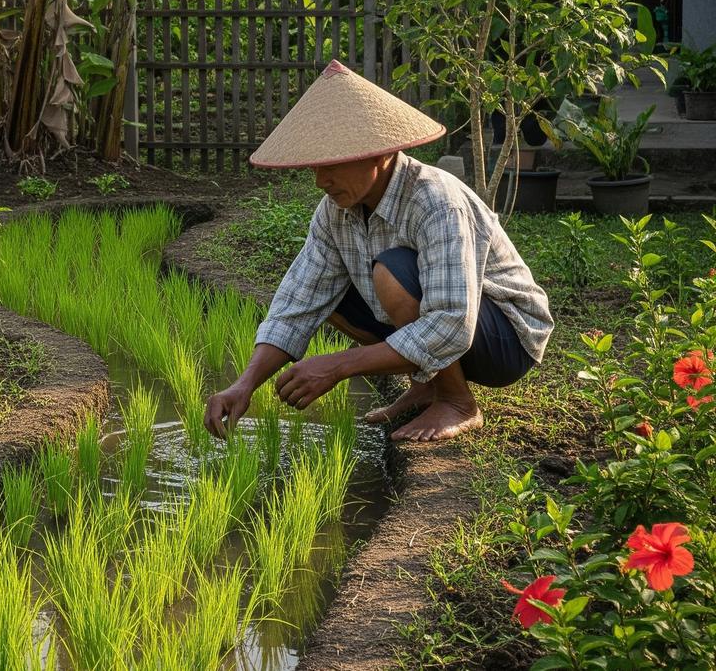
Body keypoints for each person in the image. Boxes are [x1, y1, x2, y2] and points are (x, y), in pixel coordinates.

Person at [203, 60, 553, 442]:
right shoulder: (334, 212)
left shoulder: (435, 201)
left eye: (331, 164)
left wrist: (338, 365)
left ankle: (457, 402)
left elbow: (452, 322)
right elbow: (297, 303)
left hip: (504, 338)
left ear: (380, 154)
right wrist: (244, 385)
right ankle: (426, 387)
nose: (321, 180)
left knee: (391, 272)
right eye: (314, 167)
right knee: (327, 296)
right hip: (450, 328)